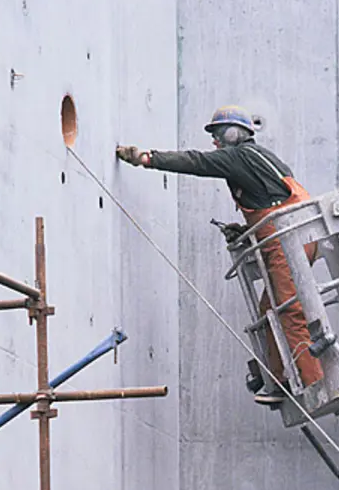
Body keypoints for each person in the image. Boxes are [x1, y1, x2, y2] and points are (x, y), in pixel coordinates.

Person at [117, 105, 324, 404]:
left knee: (289, 311)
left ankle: (313, 383)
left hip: (286, 240)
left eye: (217, 134)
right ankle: (280, 380)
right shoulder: (260, 158)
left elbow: (197, 162)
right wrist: (247, 232)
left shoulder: (239, 156)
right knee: (271, 312)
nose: (214, 141)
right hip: (292, 237)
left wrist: (147, 159)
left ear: (233, 133)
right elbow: (270, 200)